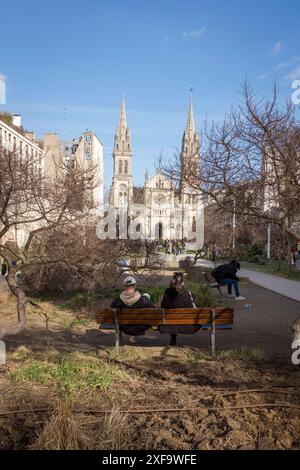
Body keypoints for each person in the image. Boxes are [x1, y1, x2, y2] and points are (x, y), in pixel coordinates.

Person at [160, 272, 199, 346]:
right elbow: (193, 308)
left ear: (172, 282)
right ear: (183, 283)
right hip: (186, 324)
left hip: (168, 325)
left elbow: (162, 307)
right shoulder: (188, 294)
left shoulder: (166, 294)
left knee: (172, 320)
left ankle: (173, 339)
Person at [111, 276, 154, 342]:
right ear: (135, 285)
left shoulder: (117, 301)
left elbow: (111, 311)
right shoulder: (143, 300)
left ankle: (132, 337)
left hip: (124, 327)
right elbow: (153, 310)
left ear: (124, 286)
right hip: (140, 327)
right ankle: (133, 336)